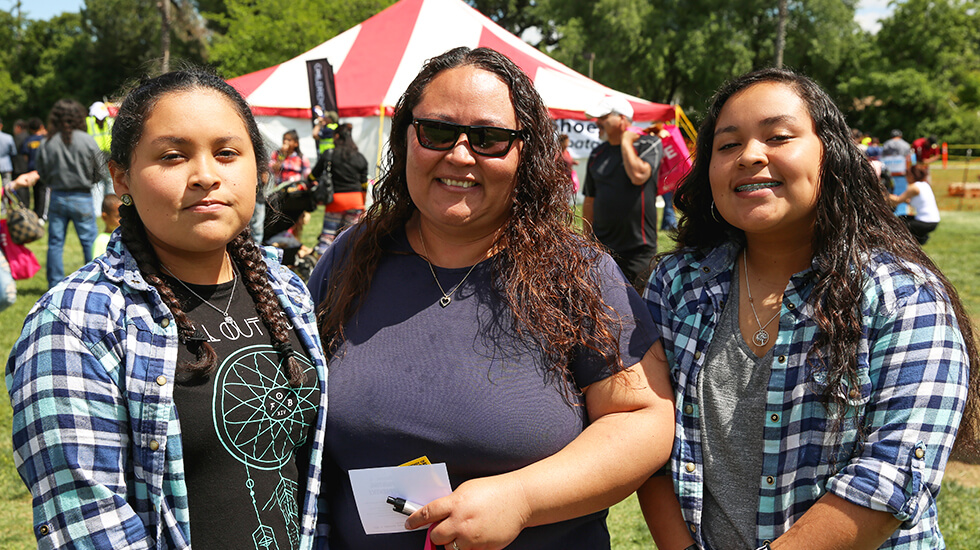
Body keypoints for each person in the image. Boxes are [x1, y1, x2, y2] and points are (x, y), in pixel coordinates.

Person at [307, 46, 675, 550]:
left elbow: (642, 418)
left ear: (526, 152)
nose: (459, 155)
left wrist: (521, 498)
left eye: (489, 139)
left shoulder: (577, 272)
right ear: (406, 137)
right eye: (436, 131)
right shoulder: (352, 256)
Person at [639, 68, 978, 550]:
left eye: (778, 136)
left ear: (831, 156)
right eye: (727, 144)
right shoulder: (676, 286)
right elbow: (647, 434)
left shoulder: (903, 295)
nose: (750, 155)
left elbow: (889, 475)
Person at [6, 69, 329, 549]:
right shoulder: (75, 323)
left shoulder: (287, 290)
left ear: (259, 171)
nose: (205, 175)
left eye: (227, 153)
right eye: (173, 156)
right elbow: (92, 528)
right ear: (121, 178)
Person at [582, 95, 664, 291]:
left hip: (638, 250)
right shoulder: (597, 153)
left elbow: (638, 175)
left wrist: (626, 143)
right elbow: (589, 199)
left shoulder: (648, 144)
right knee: (603, 309)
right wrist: (586, 239)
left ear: (622, 119)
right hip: (602, 248)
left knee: (640, 312)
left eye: (603, 117)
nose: (597, 122)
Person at [35, 99, 105, 288]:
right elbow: (100, 169)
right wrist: (89, 180)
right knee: (89, 241)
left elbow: (40, 170)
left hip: (57, 196)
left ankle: (54, 285)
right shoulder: (87, 140)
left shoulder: (47, 142)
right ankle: (96, 282)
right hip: (82, 196)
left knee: (55, 243)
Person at [309, 123, 368, 256]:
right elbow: (364, 184)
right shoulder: (360, 157)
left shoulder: (329, 154)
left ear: (336, 136)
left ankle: (321, 272)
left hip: (335, 202)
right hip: (355, 201)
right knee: (351, 239)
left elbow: (313, 175)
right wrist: (362, 204)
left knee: (327, 238)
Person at [264, 129, 311, 244]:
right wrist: (282, 156)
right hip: (279, 192)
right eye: (284, 139)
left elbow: (307, 176)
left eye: (289, 140)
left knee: (296, 219)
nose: (285, 142)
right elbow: (273, 169)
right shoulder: (277, 155)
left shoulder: (301, 158)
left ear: (295, 143)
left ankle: (293, 241)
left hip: (295, 194)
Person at [891, 164, 940, 245]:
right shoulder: (925, 185)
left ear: (912, 175)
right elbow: (908, 201)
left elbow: (897, 200)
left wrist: (883, 194)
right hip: (933, 221)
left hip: (925, 222)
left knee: (898, 224)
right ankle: (920, 239)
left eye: (907, 175)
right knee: (902, 218)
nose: (906, 178)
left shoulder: (914, 187)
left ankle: (918, 240)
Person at [87, 100, 115, 217]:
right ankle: (98, 211)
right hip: (94, 156)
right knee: (97, 183)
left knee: (110, 181)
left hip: (110, 155)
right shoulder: (89, 122)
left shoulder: (110, 121)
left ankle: (112, 207)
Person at [20, 117, 47, 218]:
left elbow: (25, 156)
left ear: (30, 129)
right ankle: (42, 214)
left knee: (35, 191)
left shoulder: (28, 140)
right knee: (43, 191)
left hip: (31, 168)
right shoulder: (45, 139)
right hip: (44, 169)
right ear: (41, 126)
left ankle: (36, 212)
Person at [881, 129, 912, 215]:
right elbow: (908, 158)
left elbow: (883, 158)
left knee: (889, 193)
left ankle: (889, 212)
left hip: (889, 172)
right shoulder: (905, 144)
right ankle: (902, 213)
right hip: (901, 172)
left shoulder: (886, 144)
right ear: (900, 135)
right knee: (902, 194)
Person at [91, 192, 121, 256]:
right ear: (105, 217)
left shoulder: (126, 236)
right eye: (118, 216)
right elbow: (99, 264)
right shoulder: (101, 241)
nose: (123, 220)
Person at [0, 116, 17, 189]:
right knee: (6, 187)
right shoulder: (8, 137)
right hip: (6, 165)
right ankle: (5, 200)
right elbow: (13, 152)